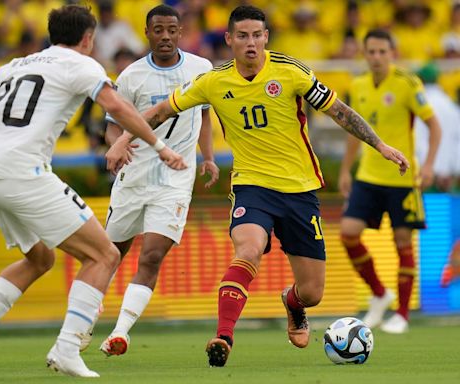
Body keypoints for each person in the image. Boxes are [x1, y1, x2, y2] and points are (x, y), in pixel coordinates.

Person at [106, 5, 410, 367]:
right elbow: (161, 111)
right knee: (248, 249)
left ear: (266, 37)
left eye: (257, 35)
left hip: (300, 189)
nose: (251, 43)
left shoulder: (291, 72)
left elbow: (339, 111)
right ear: (230, 39)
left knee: (312, 292)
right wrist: (124, 139)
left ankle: (293, 303)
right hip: (252, 187)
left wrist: (380, 145)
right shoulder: (213, 81)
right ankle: (224, 336)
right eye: (243, 36)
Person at [0, 4, 185, 378]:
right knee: (104, 254)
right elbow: (117, 107)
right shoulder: (81, 64)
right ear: (88, 38)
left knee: (40, 259)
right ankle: (68, 347)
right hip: (25, 173)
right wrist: (160, 147)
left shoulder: (15, 65)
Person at [81, 4, 219, 357]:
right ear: (147, 33)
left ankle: (121, 333)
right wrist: (117, 146)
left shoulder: (201, 69)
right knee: (109, 254)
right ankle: (83, 321)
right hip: (135, 176)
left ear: (181, 31)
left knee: (152, 256)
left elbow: (204, 116)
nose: (165, 37)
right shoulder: (131, 76)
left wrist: (207, 157)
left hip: (175, 179)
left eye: (171, 30)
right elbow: (113, 125)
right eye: (158, 30)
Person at [339, 29, 441, 334]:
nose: (377, 57)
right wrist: (346, 170)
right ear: (365, 53)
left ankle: (403, 314)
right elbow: (355, 133)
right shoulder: (357, 86)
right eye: (371, 52)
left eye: (382, 52)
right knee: (348, 233)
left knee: (402, 242)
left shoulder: (408, 84)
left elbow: (434, 127)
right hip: (368, 176)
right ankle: (381, 294)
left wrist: (430, 164)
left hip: (402, 177)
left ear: (393, 53)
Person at [415, 62, 460, 192]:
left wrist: (429, 169)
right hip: (448, 176)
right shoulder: (450, 105)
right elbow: (456, 139)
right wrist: (452, 171)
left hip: (426, 173)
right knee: (447, 211)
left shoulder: (420, 104)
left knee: (426, 211)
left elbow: (419, 139)